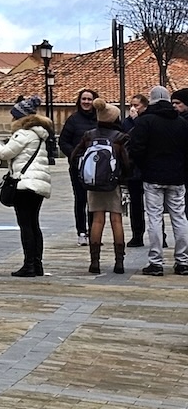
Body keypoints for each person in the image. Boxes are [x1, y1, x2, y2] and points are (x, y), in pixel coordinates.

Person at [125, 84, 188, 277]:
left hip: (152, 176)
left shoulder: (145, 122)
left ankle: (156, 262)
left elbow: (135, 149)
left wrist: (143, 165)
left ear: (151, 100)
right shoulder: (181, 123)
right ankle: (183, 261)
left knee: (154, 217)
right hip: (177, 176)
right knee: (179, 217)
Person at [0, 96, 53, 277]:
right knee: (34, 224)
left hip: (25, 185)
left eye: (13, 116)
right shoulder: (39, 135)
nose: (11, 120)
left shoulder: (24, 134)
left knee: (25, 225)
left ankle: (29, 265)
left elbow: (4, 153)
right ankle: (37, 264)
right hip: (38, 184)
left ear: (20, 117)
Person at [68, 99, 131, 275]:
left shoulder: (89, 135)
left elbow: (75, 156)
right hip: (114, 183)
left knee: (97, 220)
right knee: (116, 220)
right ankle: (119, 262)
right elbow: (126, 162)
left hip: (94, 185)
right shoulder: (120, 138)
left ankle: (94, 262)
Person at [58, 88, 100, 245]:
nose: (86, 102)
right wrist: (75, 155)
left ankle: (93, 231)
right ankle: (81, 231)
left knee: (94, 200)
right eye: (84, 99)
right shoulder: (73, 120)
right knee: (81, 199)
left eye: (89, 99)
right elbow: (63, 142)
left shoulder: (100, 119)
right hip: (79, 166)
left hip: (97, 167)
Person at [121, 96, 148, 247]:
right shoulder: (127, 122)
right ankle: (137, 234)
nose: (133, 108)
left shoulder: (147, 120)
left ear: (143, 106)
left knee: (154, 205)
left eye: (136, 105)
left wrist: (136, 120)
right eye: (131, 105)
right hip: (132, 169)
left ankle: (160, 235)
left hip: (146, 168)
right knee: (135, 205)